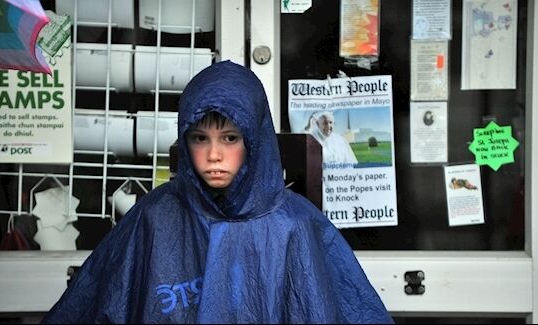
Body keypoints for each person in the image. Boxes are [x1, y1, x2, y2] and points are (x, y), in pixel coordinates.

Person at [42, 61, 393, 323]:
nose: (213, 154)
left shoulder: (294, 226)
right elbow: (95, 304)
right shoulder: (154, 218)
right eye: (199, 138)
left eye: (230, 138)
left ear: (254, 140)